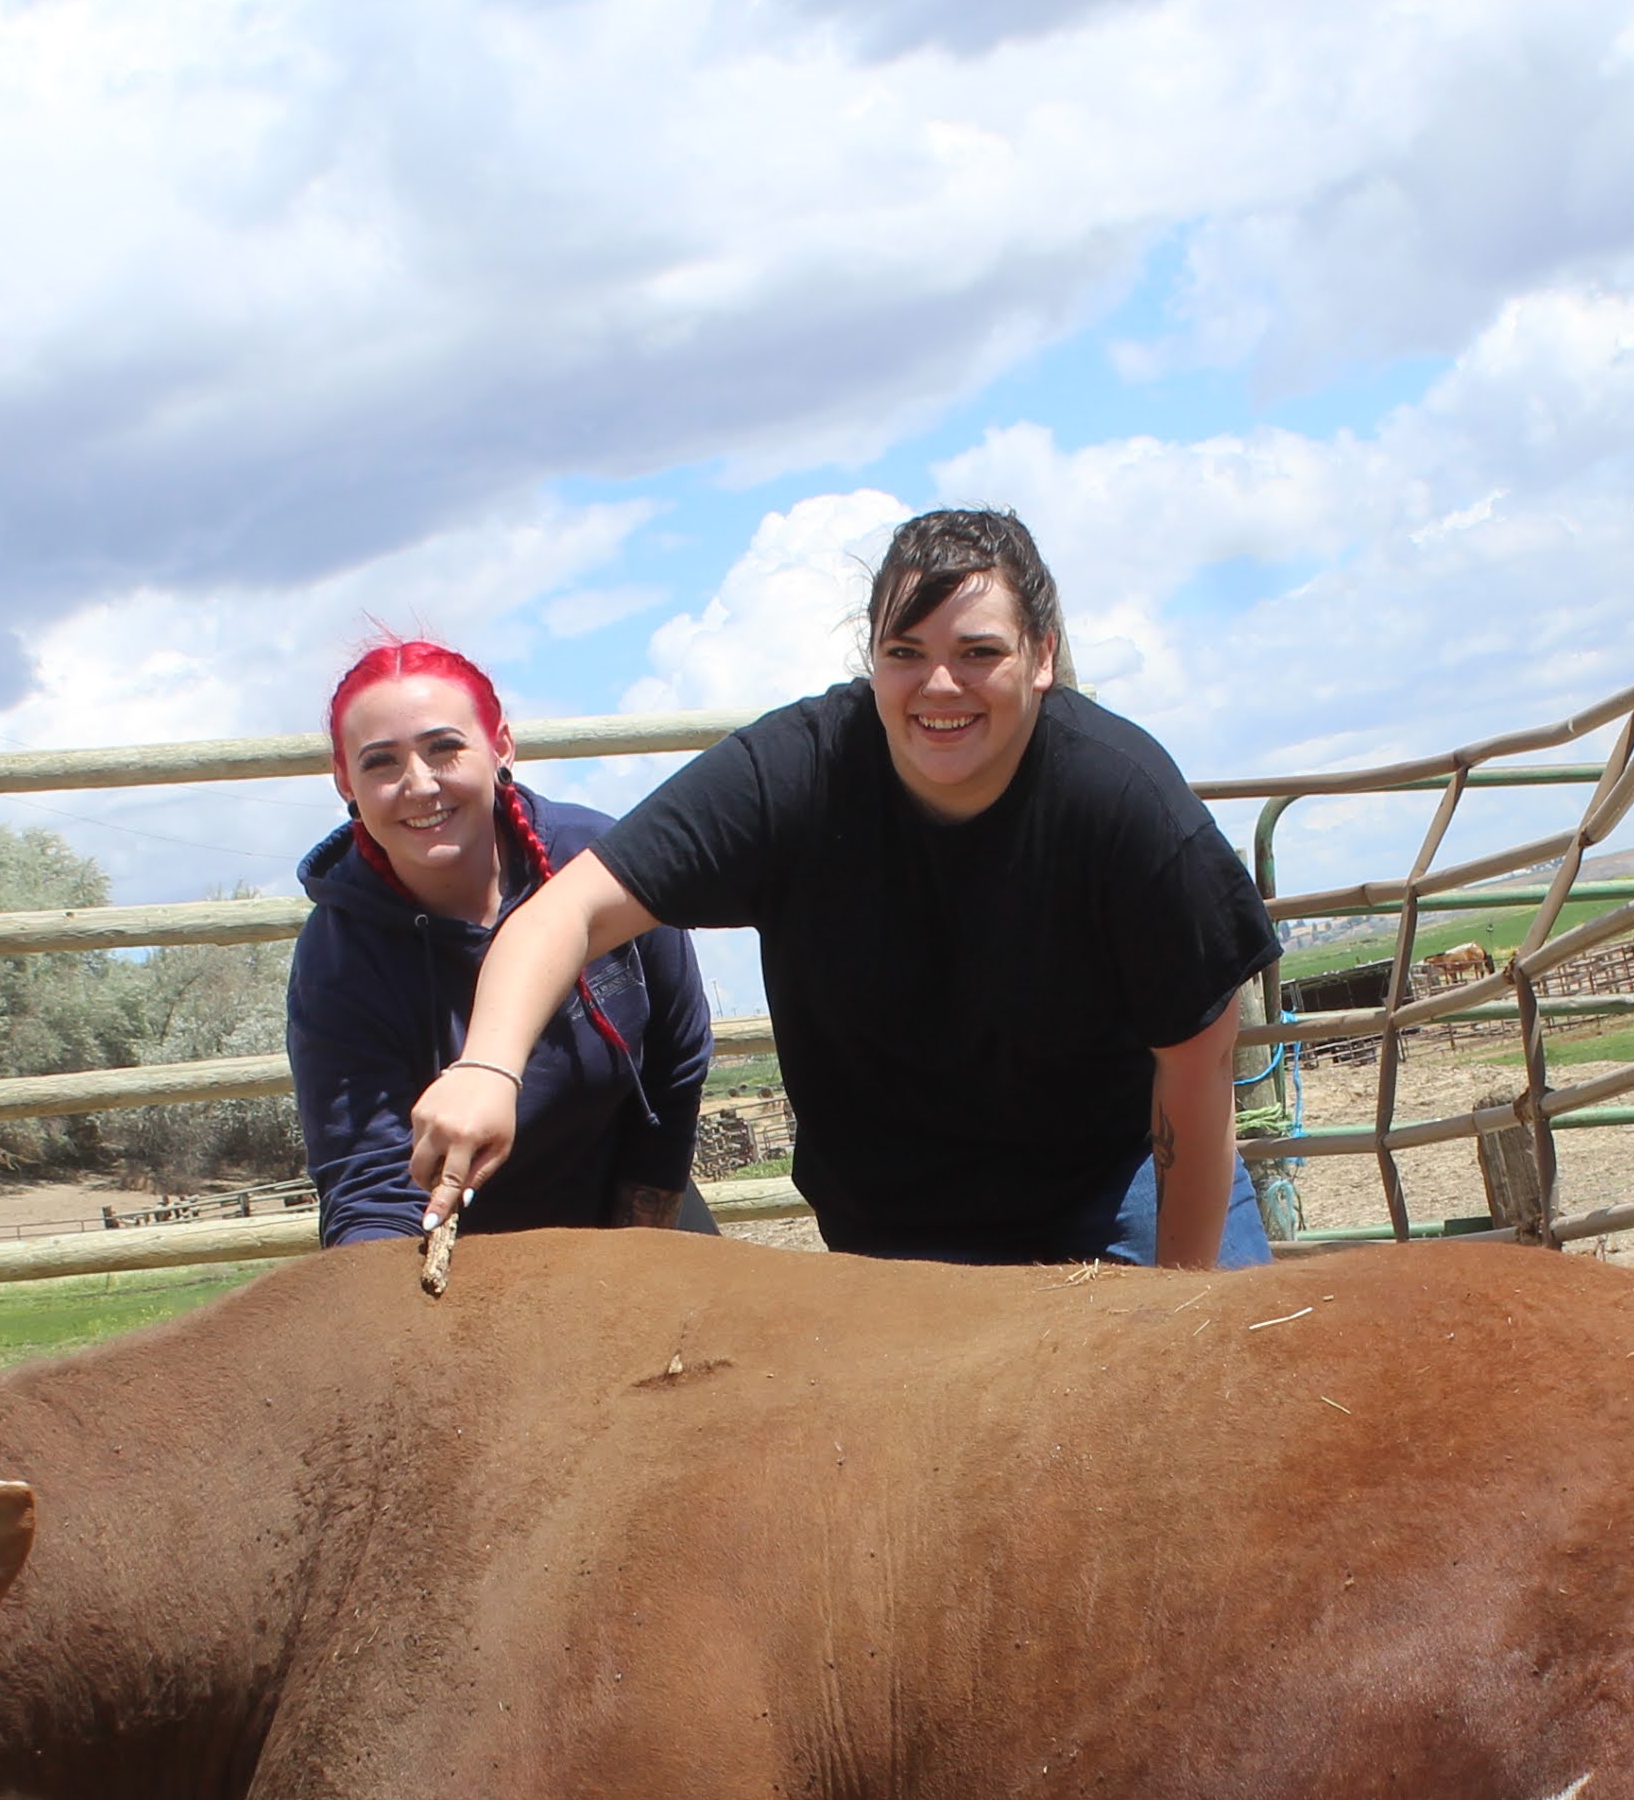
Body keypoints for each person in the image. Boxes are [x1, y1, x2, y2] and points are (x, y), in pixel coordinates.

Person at [407, 508, 1279, 1268]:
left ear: (1042, 656)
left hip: (1117, 1186)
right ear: (872, 658)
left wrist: (1180, 1304)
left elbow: (1197, 1062)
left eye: (979, 652)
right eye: (906, 652)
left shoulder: (1124, 802)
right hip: (898, 1229)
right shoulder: (794, 774)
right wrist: (487, 1067)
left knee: (1223, 1379)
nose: (940, 685)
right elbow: (564, 911)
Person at [286, 637, 712, 1248]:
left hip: (631, 1198)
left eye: (444, 748)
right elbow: (370, 1186)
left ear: (501, 746)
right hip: (465, 1244)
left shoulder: (596, 862)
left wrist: (638, 1235)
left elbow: (678, 1056)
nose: (419, 785)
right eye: (380, 762)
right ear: (343, 780)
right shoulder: (337, 961)